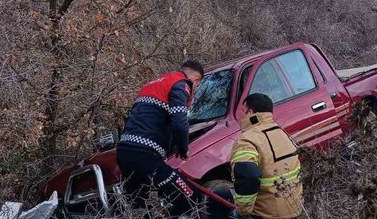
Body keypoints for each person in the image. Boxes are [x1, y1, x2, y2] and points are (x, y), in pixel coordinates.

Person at [116, 60, 204, 217]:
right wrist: (183, 148)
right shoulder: (182, 84)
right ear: (195, 80)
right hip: (145, 156)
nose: (193, 90)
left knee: (140, 207)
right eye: (196, 87)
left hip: (124, 152)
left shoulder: (151, 85)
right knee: (190, 197)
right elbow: (179, 122)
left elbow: (149, 120)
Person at [209, 93, 303, 219]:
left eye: (243, 111)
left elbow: (248, 176)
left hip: (268, 212)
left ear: (250, 112)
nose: (242, 115)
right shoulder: (282, 133)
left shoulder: (248, 139)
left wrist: (242, 211)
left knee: (214, 201)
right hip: (294, 208)